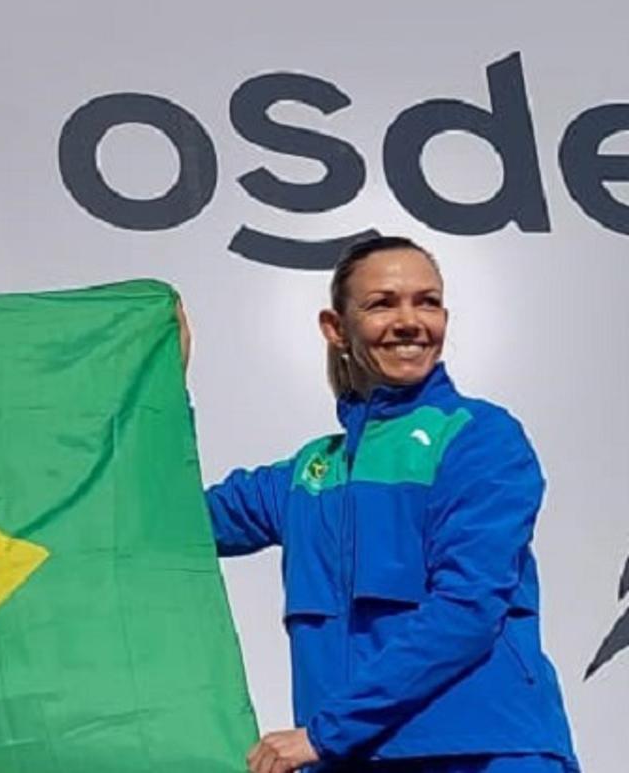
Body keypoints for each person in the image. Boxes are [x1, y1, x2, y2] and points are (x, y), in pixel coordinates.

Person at [199, 236, 579, 773]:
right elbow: (170, 520)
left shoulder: (481, 438)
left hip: (482, 754)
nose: (410, 321)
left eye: (427, 301)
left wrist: (326, 734)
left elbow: (467, 608)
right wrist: (160, 382)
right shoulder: (307, 476)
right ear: (336, 328)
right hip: (352, 757)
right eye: (382, 303)